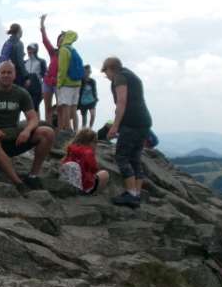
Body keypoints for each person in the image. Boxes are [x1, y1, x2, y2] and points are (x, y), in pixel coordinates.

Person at [0, 61, 55, 195]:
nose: (6, 75)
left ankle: (33, 176)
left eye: (9, 72)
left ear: (14, 75)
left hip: (12, 137)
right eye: (3, 72)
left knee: (47, 132)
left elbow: (33, 118)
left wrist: (27, 131)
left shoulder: (21, 93)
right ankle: (18, 183)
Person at [101, 57, 153, 209]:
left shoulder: (120, 77)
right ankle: (136, 194)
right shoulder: (130, 75)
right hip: (143, 121)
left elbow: (122, 102)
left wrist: (115, 126)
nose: (106, 76)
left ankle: (131, 194)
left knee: (122, 157)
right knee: (134, 158)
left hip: (132, 123)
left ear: (110, 68)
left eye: (105, 72)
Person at [60, 128, 110, 195]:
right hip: (84, 185)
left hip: (70, 182)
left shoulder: (71, 149)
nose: (96, 145)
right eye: (95, 142)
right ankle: (93, 194)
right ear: (89, 142)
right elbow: (94, 168)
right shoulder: (88, 152)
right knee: (104, 174)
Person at [23, 42, 47, 113]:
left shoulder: (41, 61)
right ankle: (31, 122)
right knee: (27, 108)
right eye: (28, 49)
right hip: (27, 88)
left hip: (37, 87)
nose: (29, 51)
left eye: (31, 49)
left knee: (35, 107)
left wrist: (43, 90)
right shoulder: (24, 62)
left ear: (36, 50)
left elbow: (45, 76)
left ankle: (37, 123)